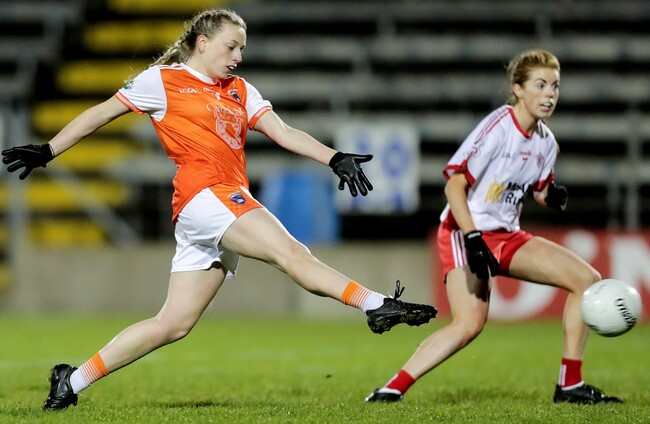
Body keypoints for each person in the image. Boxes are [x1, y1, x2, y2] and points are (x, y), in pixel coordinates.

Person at [2, 9, 438, 410]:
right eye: (231, 47)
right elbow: (101, 113)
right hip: (205, 195)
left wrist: (334, 157)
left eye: (242, 49)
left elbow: (283, 132)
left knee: (173, 324)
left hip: (214, 206)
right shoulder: (162, 80)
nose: (238, 57)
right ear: (202, 42)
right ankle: (375, 304)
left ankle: (72, 380)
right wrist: (49, 149)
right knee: (291, 253)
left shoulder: (240, 90)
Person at [365, 49, 622, 405]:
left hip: (506, 235)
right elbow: (454, 186)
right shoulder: (498, 128)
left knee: (586, 280)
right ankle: (391, 389)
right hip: (463, 230)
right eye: (541, 85)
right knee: (469, 324)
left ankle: (570, 386)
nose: (550, 94)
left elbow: (538, 188)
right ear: (518, 89)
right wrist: (472, 237)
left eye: (555, 86)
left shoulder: (547, 143)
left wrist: (550, 195)